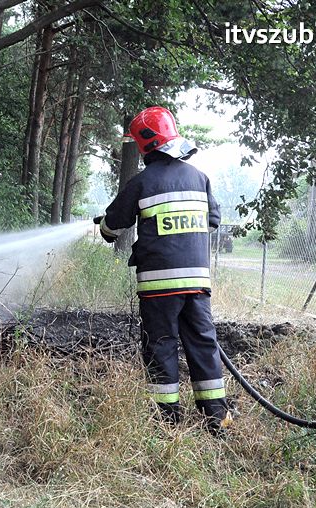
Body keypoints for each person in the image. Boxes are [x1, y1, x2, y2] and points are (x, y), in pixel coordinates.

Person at [97, 106, 233, 435]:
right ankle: (217, 416)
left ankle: (168, 419)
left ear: (144, 144)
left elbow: (113, 226)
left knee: (160, 344)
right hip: (198, 284)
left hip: (159, 287)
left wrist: (103, 227)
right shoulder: (200, 178)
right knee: (203, 343)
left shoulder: (141, 183)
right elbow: (212, 221)